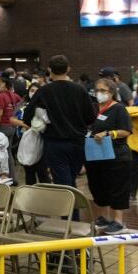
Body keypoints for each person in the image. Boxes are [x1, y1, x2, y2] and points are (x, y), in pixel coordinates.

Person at [23, 55, 96, 189]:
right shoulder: (80, 90)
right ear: (68, 69)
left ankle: (68, 209)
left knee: (63, 184)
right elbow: (91, 117)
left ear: (49, 70)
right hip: (78, 143)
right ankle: (73, 209)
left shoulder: (44, 91)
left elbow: (27, 117)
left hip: (54, 143)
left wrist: (41, 122)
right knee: (70, 180)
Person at [85, 78, 133, 234]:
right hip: (95, 155)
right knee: (98, 186)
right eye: (97, 90)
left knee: (116, 188)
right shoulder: (93, 108)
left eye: (103, 91)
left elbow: (126, 130)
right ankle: (103, 218)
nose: (99, 93)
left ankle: (118, 221)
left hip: (116, 156)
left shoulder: (119, 109)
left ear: (111, 93)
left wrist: (109, 133)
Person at [10, 84, 50, 185]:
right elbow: (12, 119)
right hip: (25, 140)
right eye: (32, 90)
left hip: (42, 141)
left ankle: (47, 194)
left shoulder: (46, 105)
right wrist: (27, 125)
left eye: (36, 90)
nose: (34, 93)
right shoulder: (23, 105)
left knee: (42, 171)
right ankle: (30, 193)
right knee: (29, 170)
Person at [0, 75, 22, 183]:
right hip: (11, 127)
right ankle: (12, 178)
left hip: (2, 128)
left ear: (3, 83)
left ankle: (2, 178)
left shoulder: (0, 97)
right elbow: (20, 104)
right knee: (8, 154)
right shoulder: (12, 95)